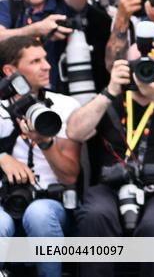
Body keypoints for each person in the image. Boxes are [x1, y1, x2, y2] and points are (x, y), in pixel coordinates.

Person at [68, 40, 154, 277]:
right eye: (139, 63)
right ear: (126, 66)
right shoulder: (112, 100)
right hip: (111, 186)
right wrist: (109, 91)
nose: (147, 68)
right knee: (96, 215)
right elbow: (75, 132)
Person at [0, 36, 80, 277]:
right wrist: (2, 156)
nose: (47, 66)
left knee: (40, 215)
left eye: (46, 59)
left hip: (48, 200)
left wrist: (46, 142)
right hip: (3, 201)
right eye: (36, 61)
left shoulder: (65, 106)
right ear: (10, 70)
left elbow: (70, 175)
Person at [0, 0, 88, 86]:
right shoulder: (8, 8)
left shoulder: (64, 3)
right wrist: (35, 29)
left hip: (66, 95)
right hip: (21, 97)